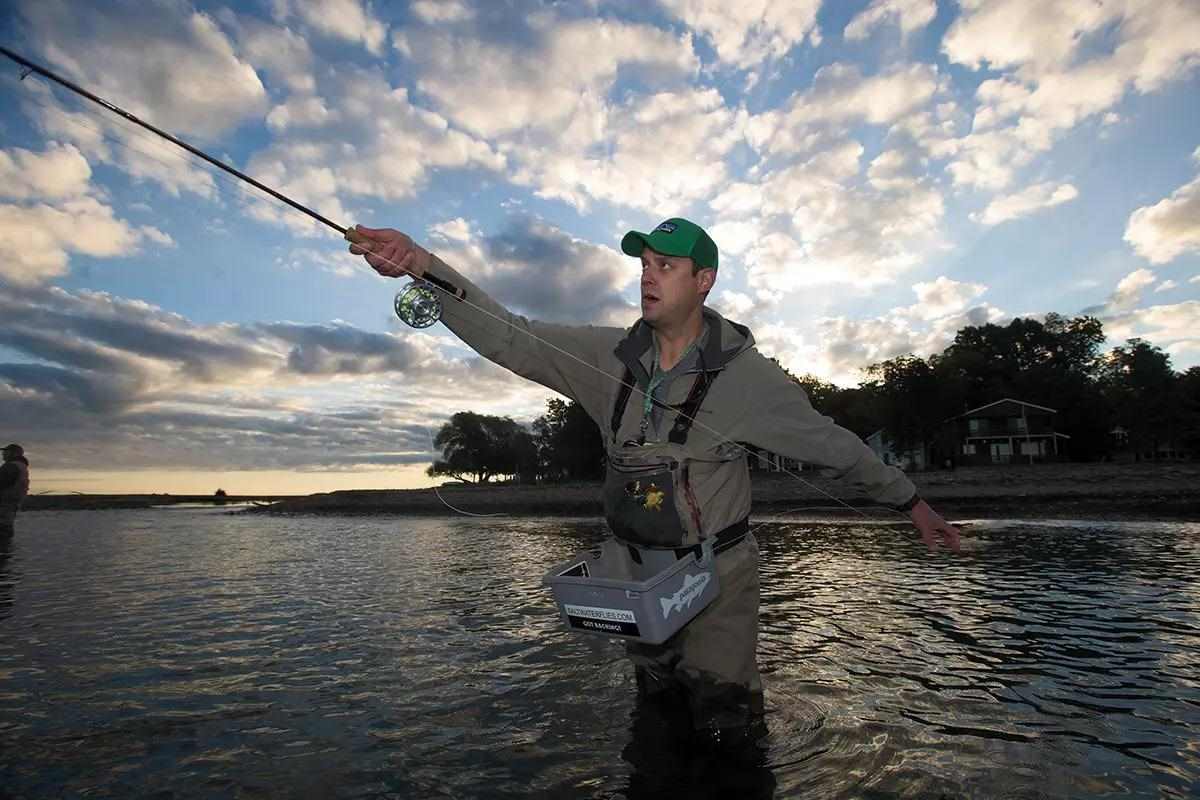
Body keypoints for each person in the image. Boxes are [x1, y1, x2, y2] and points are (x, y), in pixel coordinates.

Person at [349, 218, 961, 747]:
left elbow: (838, 448)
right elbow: (510, 334)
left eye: (665, 266)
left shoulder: (751, 380)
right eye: (644, 264)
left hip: (717, 583)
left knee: (725, 728)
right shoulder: (605, 357)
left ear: (703, 282)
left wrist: (911, 503)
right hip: (635, 581)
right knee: (656, 716)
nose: (647, 276)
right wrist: (423, 266)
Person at [0, 443, 30, 535]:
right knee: (6, 532)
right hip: (10, 507)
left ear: (14, 453)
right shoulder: (22, 466)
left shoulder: (11, 466)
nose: (3, 454)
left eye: (6, 452)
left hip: (3, 506)